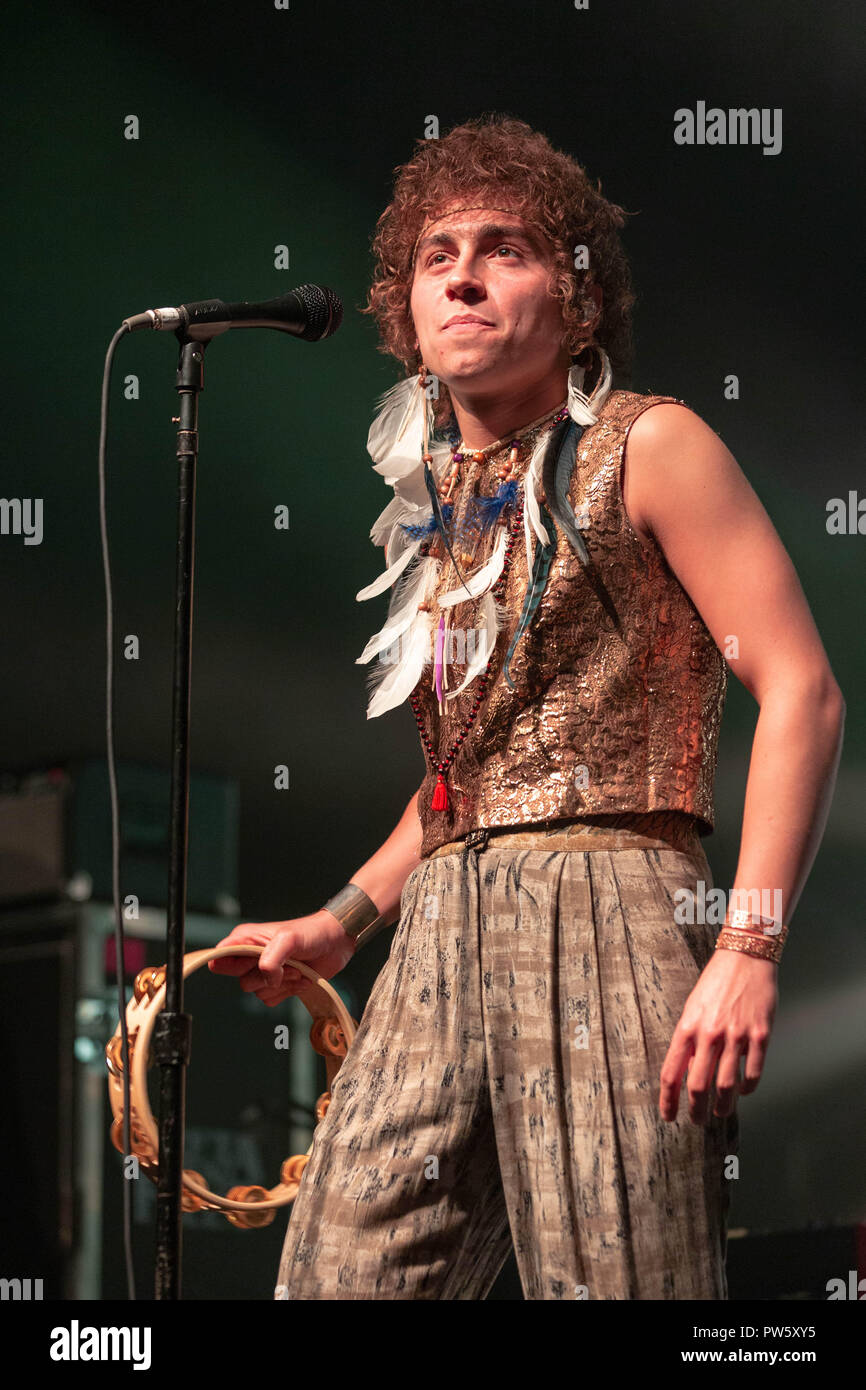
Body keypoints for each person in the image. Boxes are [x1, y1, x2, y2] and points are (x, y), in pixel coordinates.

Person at [211, 115, 845, 1300]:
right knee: (336, 1278)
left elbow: (801, 690)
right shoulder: (432, 504)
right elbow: (466, 772)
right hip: (440, 928)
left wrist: (750, 944)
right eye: (435, 253)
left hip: (613, 901)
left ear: (578, 291)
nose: (459, 272)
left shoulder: (647, 444)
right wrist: (340, 925)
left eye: (502, 247)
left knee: (623, 1281)